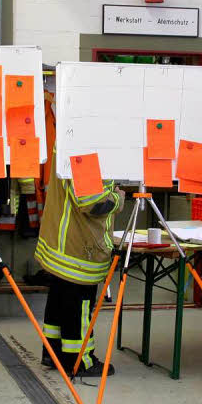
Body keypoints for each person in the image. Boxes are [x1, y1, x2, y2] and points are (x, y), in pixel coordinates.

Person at [35, 155, 123, 377]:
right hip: (80, 245)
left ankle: (54, 353)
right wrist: (118, 198)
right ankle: (79, 360)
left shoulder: (69, 133)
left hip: (62, 241)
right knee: (79, 302)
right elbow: (92, 202)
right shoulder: (86, 140)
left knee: (59, 298)